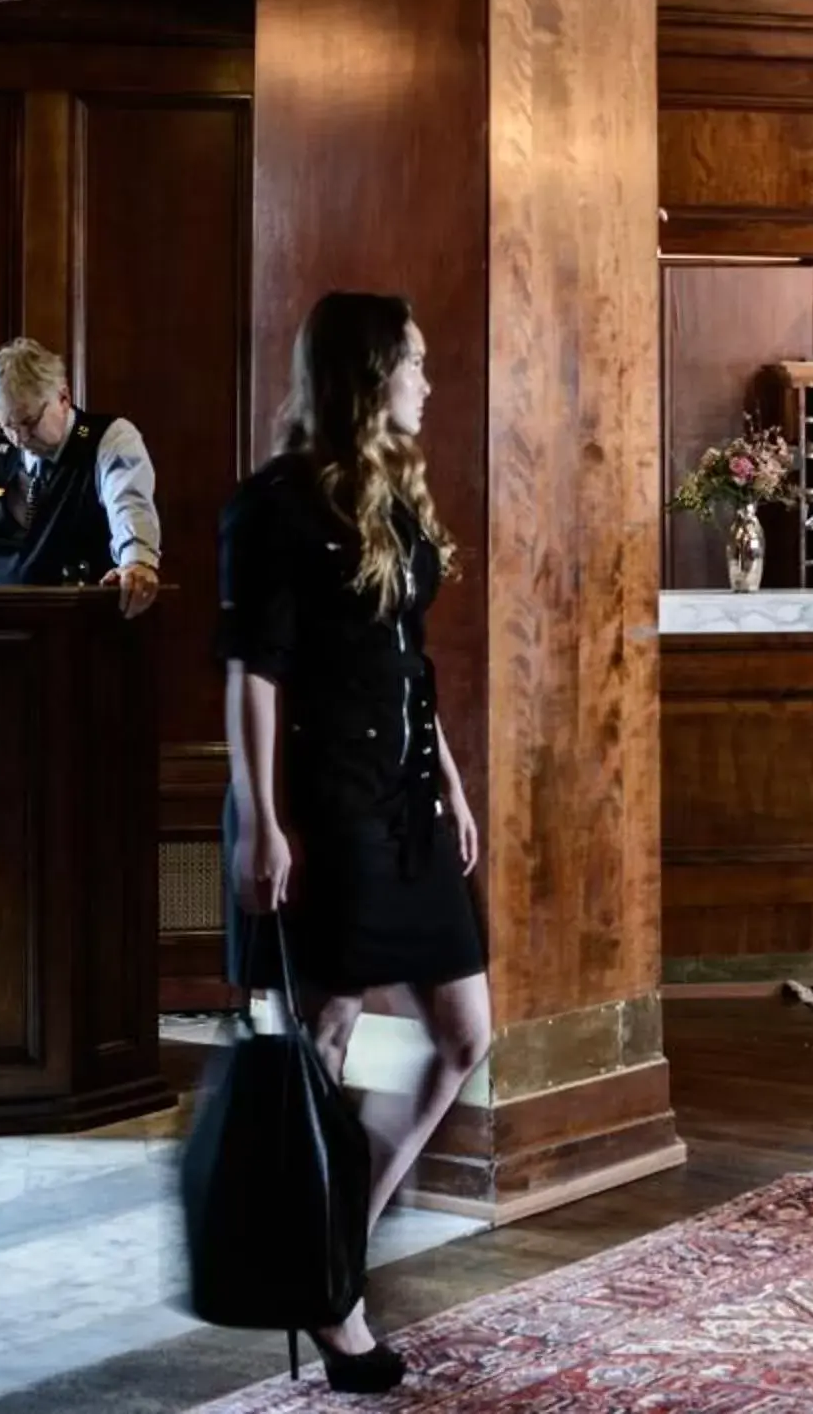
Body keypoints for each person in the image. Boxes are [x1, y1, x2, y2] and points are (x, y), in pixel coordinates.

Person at [217, 293, 490, 1394]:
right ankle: (333, 1298)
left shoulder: (397, 496)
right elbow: (251, 672)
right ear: (370, 373)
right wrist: (262, 819)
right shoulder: (272, 506)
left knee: (464, 1033)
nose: (429, 379)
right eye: (416, 362)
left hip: (412, 796)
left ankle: (329, 1255)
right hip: (324, 803)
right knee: (322, 1037)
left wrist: (455, 785)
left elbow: (407, 659)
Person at [0, 338, 161, 617]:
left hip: (82, 628)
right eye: (7, 426)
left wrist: (136, 562)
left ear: (63, 397)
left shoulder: (108, 439)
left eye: (29, 422)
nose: (20, 439)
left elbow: (129, 508)